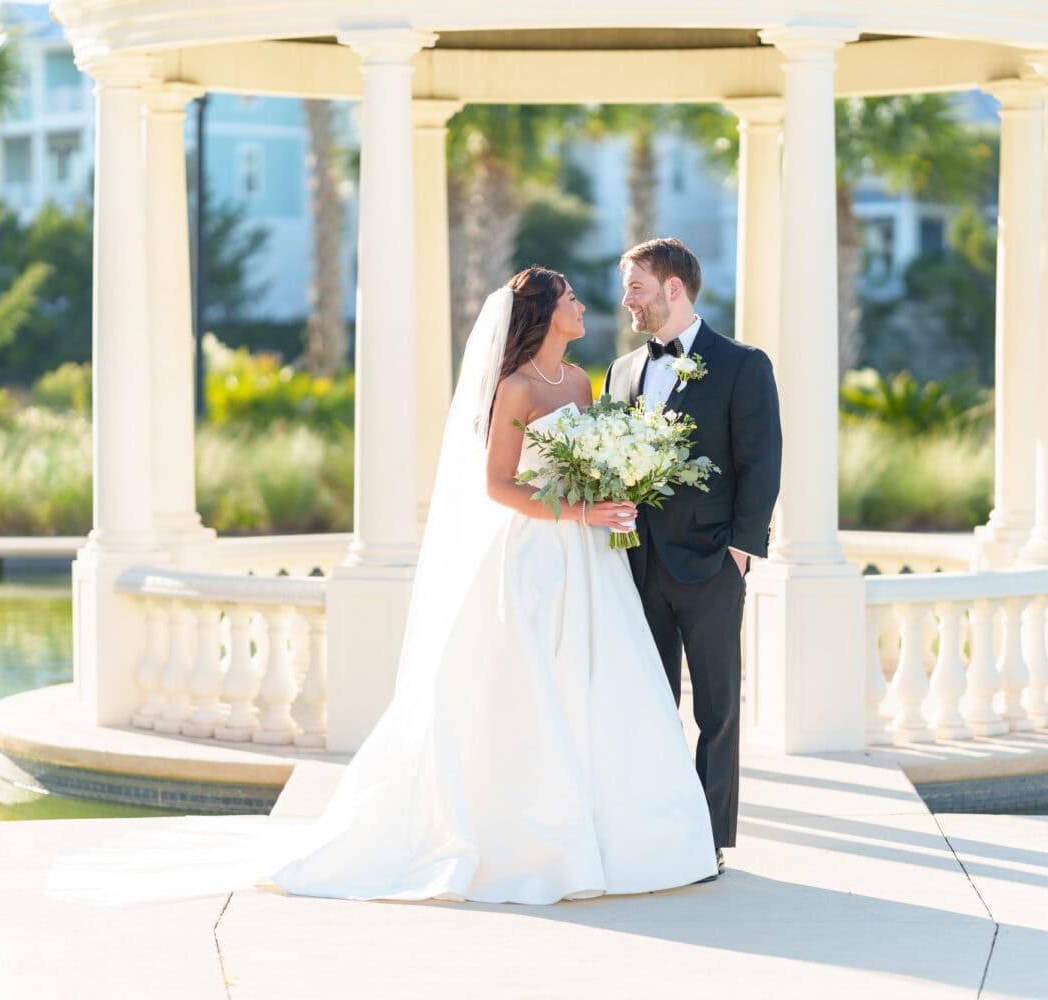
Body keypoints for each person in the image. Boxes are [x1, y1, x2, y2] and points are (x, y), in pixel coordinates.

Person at [268, 266, 718, 903]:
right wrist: (582, 511)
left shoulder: (581, 381)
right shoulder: (515, 388)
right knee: (535, 684)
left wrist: (618, 487)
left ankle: (626, 841)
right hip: (536, 553)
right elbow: (499, 486)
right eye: (571, 299)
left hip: (591, 558)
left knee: (603, 683)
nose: (584, 305)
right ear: (542, 313)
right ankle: (535, 842)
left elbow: (589, 462)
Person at [603, 239, 783, 874]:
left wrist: (739, 551)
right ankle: (651, 828)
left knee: (716, 710)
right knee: (649, 705)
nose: (627, 300)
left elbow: (760, 464)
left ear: (673, 289)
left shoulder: (741, 364)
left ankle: (706, 844)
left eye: (636, 288)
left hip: (712, 564)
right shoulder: (622, 372)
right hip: (639, 566)